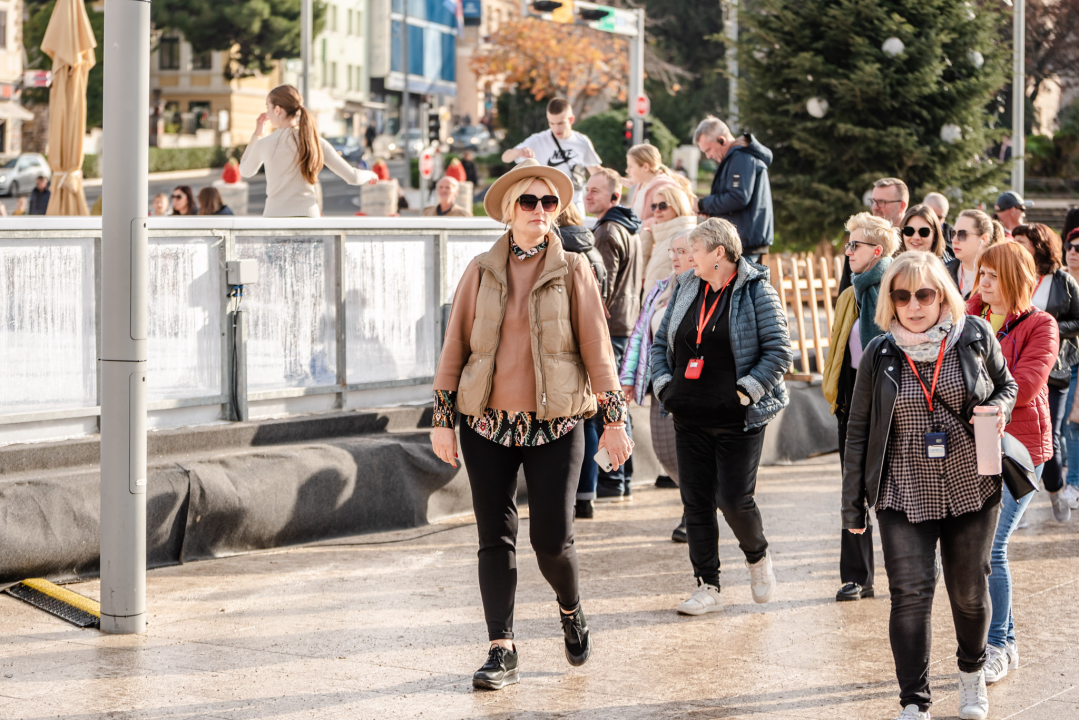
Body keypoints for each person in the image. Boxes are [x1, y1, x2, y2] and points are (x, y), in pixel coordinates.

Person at [430, 159, 631, 690]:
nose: (541, 211)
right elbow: (456, 347)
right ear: (509, 212)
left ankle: (571, 609)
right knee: (494, 538)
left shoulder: (574, 270)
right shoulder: (479, 269)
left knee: (552, 542)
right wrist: (442, 420)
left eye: (548, 203)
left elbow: (597, 349)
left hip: (557, 424)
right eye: (529, 202)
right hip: (485, 425)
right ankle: (502, 648)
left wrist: (613, 421)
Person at [842, 252, 1017, 720]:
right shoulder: (880, 352)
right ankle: (914, 701)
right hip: (904, 492)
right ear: (891, 302)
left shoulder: (975, 336)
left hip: (971, 486)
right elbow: (859, 430)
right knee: (910, 595)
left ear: (943, 295)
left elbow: (1008, 385)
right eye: (902, 296)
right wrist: (852, 507)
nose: (914, 305)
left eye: (925, 294)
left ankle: (971, 674)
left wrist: (998, 410)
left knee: (967, 591)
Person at [651, 218, 792, 615]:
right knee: (695, 502)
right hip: (689, 413)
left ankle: (757, 558)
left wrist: (745, 391)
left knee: (733, 500)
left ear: (719, 253)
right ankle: (707, 585)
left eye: (694, 250)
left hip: (738, 418)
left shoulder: (757, 291)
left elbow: (779, 351)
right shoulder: (686, 286)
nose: (687, 257)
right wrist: (665, 385)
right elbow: (662, 342)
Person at [966, 242, 1058, 685]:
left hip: (1020, 449)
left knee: (992, 548)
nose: (982, 283)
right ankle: (1007, 639)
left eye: (991, 276)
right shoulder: (968, 319)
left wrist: (970, 387)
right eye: (979, 274)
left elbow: (1026, 383)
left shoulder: (1041, 324)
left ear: (1016, 278)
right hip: (978, 441)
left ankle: (999, 646)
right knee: (980, 550)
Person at [823, 212, 898, 602]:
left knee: (894, 490)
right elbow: (839, 351)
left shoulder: (897, 290)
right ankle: (856, 576)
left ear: (877, 250)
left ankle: (912, 566)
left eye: (855, 245)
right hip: (852, 401)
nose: (847, 251)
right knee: (851, 491)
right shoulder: (850, 293)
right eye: (847, 244)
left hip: (891, 405)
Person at [620, 232, 695, 540]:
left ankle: (694, 510)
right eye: (672, 251)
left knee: (691, 453)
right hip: (660, 385)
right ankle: (698, 500)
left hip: (693, 387)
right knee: (665, 452)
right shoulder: (662, 289)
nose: (674, 257)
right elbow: (639, 333)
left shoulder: (706, 290)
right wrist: (627, 378)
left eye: (681, 251)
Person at [1012, 223, 1079, 521]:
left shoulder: (1064, 281)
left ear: (1038, 246)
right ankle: (1019, 503)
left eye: (1021, 242)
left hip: (1056, 369)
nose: (1015, 247)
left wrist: (1047, 327)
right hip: (1018, 370)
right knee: (1014, 437)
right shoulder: (1016, 277)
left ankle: (1054, 488)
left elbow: (1078, 321)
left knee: (1048, 436)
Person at [583, 167, 642, 502]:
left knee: (609, 408)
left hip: (611, 327)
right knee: (618, 405)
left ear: (614, 196)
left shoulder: (607, 231)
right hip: (627, 324)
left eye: (595, 191)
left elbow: (599, 288)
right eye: (587, 190)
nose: (588, 195)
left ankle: (613, 479)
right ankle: (624, 478)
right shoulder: (629, 227)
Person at [240, 84, 377, 218]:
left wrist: (257, 134)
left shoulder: (264, 144)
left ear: (277, 110)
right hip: (308, 220)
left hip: (274, 220)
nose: (267, 113)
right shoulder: (315, 142)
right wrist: (370, 174)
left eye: (267, 107)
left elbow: (245, 171)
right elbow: (353, 177)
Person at [693, 116, 774, 261]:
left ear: (721, 140)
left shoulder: (740, 158)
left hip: (745, 245)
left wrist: (701, 204)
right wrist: (711, 210)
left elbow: (738, 197)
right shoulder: (737, 158)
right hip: (743, 243)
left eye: (709, 149)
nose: (708, 155)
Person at [501, 97, 602, 214]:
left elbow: (596, 172)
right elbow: (505, 157)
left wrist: (618, 181)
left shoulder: (582, 141)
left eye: (560, 123)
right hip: (549, 208)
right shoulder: (538, 140)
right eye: (552, 123)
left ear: (571, 120)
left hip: (574, 210)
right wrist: (518, 152)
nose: (556, 128)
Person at [640, 186, 697, 292]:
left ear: (677, 206)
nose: (657, 210)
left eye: (663, 206)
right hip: (653, 305)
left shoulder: (685, 237)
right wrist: (646, 239)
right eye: (654, 206)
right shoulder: (660, 236)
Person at [625, 143, 688, 228]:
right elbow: (639, 211)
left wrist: (636, 226)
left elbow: (667, 219)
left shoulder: (663, 188)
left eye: (630, 166)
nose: (627, 170)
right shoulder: (642, 185)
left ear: (645, 167)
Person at [947, 209, 1006, 299]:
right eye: (953, 233)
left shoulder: (1001, 276)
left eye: (962, 234)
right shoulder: (942, 272)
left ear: (984, 239)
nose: (954, 240)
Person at [1063, 229, 1079, 509]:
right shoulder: (1057, 281)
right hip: (1061, 361)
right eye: (1070, 246)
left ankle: (1073, 481)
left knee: (1074, 422)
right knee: (1066, 422)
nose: (1074, 251)